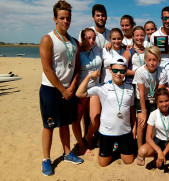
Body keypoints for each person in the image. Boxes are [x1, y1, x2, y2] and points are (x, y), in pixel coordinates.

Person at [39, 0, 83, 176]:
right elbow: (47, 68)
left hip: (68, 89)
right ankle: (46, 159)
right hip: (51, 89)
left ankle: (67, 153)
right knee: (49, 125)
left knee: (65, 123)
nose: (66, 21)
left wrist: (71, 87)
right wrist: (62, 90)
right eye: (62, 18)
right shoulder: (47, 39)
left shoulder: (73, 42)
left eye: (68, 18)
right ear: (55, 19)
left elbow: (77, 68)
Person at [76, 55, 136, 167]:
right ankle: (111, 146)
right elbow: (79, 93)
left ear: (126, 71)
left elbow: (131, 108)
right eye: (115, 70)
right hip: (107, 133)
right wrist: (89, 76)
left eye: (122, 71)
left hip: (125, 132)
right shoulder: (102, 87)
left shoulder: (130, 88)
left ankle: (118, 146)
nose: (118, 73)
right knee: (103, 164)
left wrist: (135, 126)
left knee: (129, 161)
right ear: (110, 70)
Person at [72, 28, 103, 154]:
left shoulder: (98, 50)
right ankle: (81, 143)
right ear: (82, 38)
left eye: (93, 38)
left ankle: (88, 136)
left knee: (96, 119)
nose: (91, 41)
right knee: (76, 119)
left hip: (95, 89)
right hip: (80, 89)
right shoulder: (77, 52)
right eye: (88, 38)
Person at [137, 87, 169, 169]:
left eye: (166, 101)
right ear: (157, 103)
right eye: (161, 102)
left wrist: (163, 153)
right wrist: (159, 151)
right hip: (158, 141)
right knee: (142, 151)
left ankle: (168, 156)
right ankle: (157, 156)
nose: (164, 104)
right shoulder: (153, 114)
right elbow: (148, 138)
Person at [133, 46, 168, 148]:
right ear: (145, 60)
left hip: (155, 98)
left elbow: (160, 92)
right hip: (142, 98)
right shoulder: (140, 72)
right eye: (149, 60)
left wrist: (157, 110)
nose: (152, 63)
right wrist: (143, 112)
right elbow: (141, 93)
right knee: (142, 122)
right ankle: (139, 147)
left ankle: (150, 146)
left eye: (154, 60)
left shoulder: (162, 71)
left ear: (159, 60)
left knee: (154, 122)